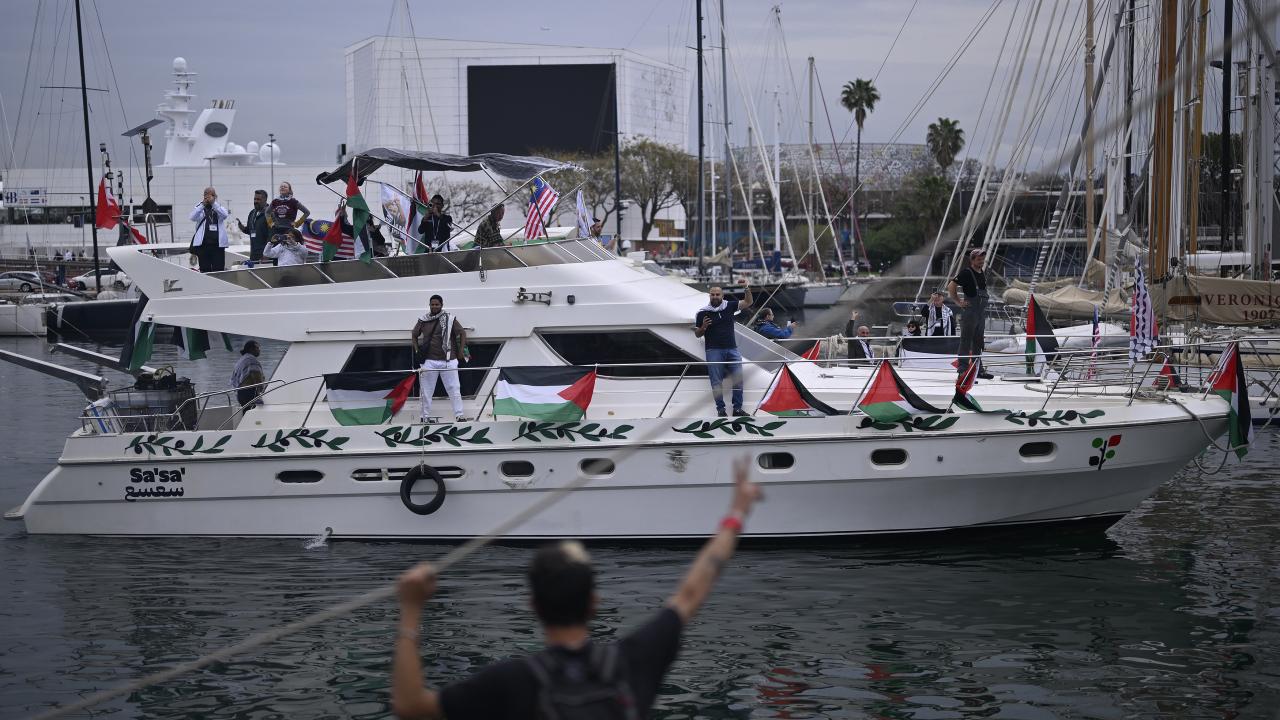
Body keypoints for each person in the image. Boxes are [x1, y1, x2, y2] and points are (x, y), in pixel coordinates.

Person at [391, 456, 764, 720]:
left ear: (533, 605)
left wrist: (411, 610)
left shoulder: (508, 681)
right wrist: (737, 511)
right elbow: (691, 592)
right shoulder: (632, 662)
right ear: (594, 604)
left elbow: (410, 707)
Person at [694, 283, 753, 417]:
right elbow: (697, 334)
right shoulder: (702, 312)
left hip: (732, 349)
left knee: (738, 379)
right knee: (716, 382)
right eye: (712, 294)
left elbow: (748, 302)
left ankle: (737, 409)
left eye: (717, 294)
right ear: (709, 296)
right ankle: (721, 410)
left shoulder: (729, 306)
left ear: (722, 295)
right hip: (713, 351)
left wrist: (746, 288)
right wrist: (703, 327)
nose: (715, 297)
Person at [411, 294, 468, 422]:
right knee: (426, 391)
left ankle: (459, 415)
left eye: (437, 304)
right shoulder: (423, 320)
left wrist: (460, 352)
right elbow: (414, 335)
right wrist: (416, 350)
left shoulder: (450, 318)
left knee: (454, 389)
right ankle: (424, 418)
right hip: (429, 361)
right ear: (429, 305)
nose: (434, 306)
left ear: (442, 305)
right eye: (432, 304)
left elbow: (462, 333)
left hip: (449, 360)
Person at [948, 248, 994, 379]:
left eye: (982, 259)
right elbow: (951, 286)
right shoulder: (966, 273)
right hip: (970, 312)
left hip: (980, 313)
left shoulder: (982, 273)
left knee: (979, 342)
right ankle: (962, 369)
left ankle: (977, 369)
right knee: (966, 340)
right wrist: (958, 302)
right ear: (972, 260)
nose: (981, 262)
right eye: (979, 259)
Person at [189, 187, 229, 273]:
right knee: (205, 270)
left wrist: (213, 203)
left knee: (219, 270)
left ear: (215, 196)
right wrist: (203, 205)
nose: (208, 197)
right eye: (206, 195)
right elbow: (192, 217)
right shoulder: (200, 207)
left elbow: (225, 215)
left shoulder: (218, 207)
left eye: (211, 195)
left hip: (218, 246)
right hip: (203, 245)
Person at [237, 189, 271, 262]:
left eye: (258, 199)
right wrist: (242, 228)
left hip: (265, 256)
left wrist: (267, 254)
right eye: (255, 199)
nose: (255, 201)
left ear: (265, 200)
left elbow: (271, 235)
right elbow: (250, 230)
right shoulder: (252, 213)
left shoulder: (270, 214)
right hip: (253, 254)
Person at [230, 340, 265, 410]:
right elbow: (257, 378)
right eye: (257, 348)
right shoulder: (251, 360)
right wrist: (261, 392)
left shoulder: (242, 359)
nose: (259, 350)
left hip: (240, 393)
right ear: (251, 349)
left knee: (246, 413)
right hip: (249, 393)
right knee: (254, 416)